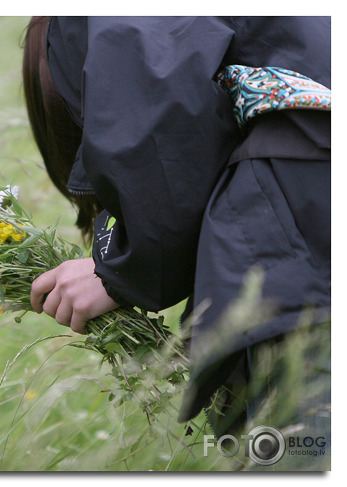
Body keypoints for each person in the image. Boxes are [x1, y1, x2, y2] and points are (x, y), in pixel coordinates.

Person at [22, 16, 331, 455]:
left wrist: (115, 270)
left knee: (304, 446)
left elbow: (159, 123)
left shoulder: (86, 19)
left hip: (304, 231)